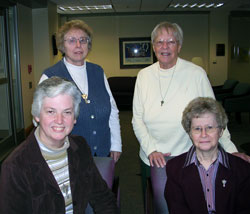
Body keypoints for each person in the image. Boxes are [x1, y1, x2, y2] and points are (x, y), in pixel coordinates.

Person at [132, 21, 250, 203]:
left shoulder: (196, 74)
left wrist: (231, 149)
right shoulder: (144, 76)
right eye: (159, 42)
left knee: (189, 205)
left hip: (189, 157)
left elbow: (215, 117)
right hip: (152, 158)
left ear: (179, 46)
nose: (165, 47)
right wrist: (151, 150)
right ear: (153, 46)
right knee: (157, 204)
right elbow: (137, 119)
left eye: (171, 41)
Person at [0, 77, 118, 214]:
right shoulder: (15, 166)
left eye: (67, 112)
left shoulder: (80, 146)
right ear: (37, 115)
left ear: (74, 118)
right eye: (51, 111)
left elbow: (102, 198)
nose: (59, 120)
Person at [40, 20, 121, 162]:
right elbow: (39, 119)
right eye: (71, 40)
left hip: (103, 152)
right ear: (62, 45)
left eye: (83, 40)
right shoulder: (50, 75)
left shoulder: (97, 71)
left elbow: (112, 110)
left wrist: (116, 144)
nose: (78, 45)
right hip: (68, 156)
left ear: (88, 44)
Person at [165, 97, 250, 214]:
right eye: (197, 129)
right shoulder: (174, 168)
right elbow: (177, 210)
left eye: (209, 128)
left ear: (220, 131)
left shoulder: (242, 169)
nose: (203, 134)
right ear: (189, 133)